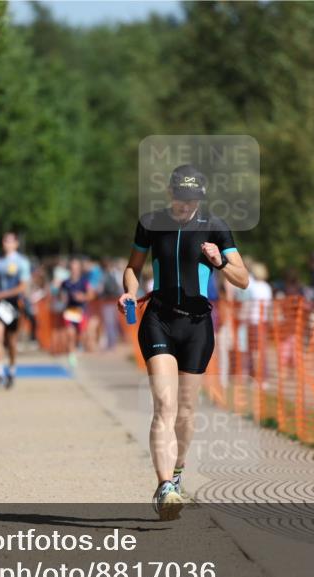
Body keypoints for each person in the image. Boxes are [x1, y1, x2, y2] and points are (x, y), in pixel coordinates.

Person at [119, 164, 249, 520]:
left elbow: (243, 279)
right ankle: (164, 488)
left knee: (186, 412)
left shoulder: (215, 226)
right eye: (180, 198)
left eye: (192, 200)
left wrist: (219, 261)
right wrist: (130, 293)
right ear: (170, 193)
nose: (185, 205)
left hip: (196, 325)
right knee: (164, 405)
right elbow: (133, 266)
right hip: (159, 319)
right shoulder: (150, 222)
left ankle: (176, 473)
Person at [0, 232, 31, 389]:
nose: (6, 243)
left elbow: (23, 286)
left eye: (9, 241)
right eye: (4, 240)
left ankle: (11, 370)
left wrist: (4, 294)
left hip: (13, 303)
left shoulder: (22, 262)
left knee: (11, 341)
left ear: (16, 244)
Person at [60, 258, 95, 366]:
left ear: (79, 270)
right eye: (72, 268)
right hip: (69, 311)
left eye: (76, 268)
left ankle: (78, 345)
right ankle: (71, 354)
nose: (74, 270)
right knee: (70, 333)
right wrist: (62, 298)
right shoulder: (65, 283)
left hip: (81, 311)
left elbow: (91, 295)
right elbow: (61, 295)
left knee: (81, 334)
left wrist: (83, 297)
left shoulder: (84, 282)